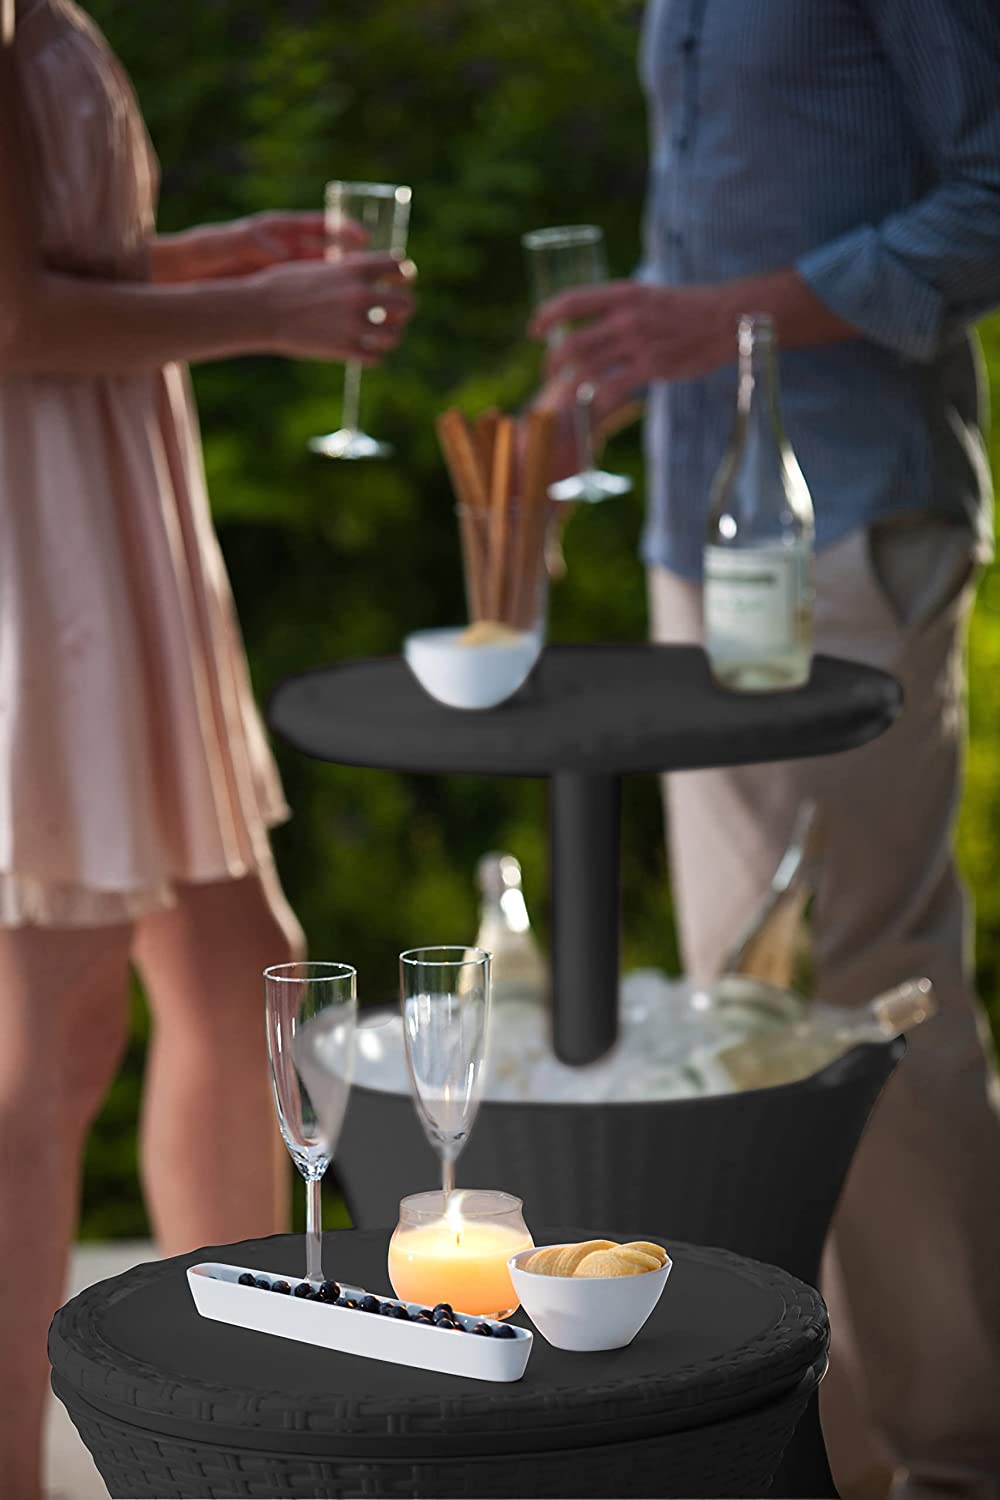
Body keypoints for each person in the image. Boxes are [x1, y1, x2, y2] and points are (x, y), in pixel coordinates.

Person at [531, 3, 1000, 1498]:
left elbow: (993, 196)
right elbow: (718, 221)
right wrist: (621, 372)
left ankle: (959, 1451)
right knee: (740, 1012)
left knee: (872, 991)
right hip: (698, 537)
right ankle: (810, 1453)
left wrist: (728, 318)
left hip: (850, 523)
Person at [0, 2, 415, 1496]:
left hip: (104, 506)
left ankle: (223, 1430)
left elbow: (46, 262)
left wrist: (208, 259)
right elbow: (10, 319)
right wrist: (270, 317)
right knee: (43, 1040)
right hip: (39, 537)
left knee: (249, 975)